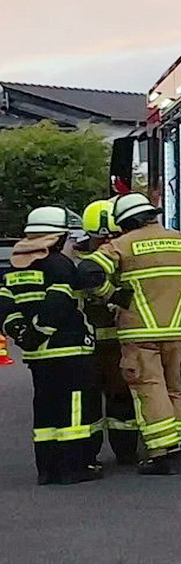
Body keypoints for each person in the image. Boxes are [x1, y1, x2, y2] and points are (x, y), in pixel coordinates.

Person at [84, 193, 181, 474]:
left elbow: (88, 271)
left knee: (150, 389)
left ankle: (160, 454)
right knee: (174, 389)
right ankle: (174, 447)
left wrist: (112, 294)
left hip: (140, 332)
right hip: (178, 331)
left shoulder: (122, 244)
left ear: (125, 222)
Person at [1, 207, 104, 485]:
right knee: (74, 410)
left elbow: (5, 305)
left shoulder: (15, 266)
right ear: (58, 238)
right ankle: (75, 467)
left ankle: (47, 469)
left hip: (37, 355)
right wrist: (39, 331)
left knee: (46, 409)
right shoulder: (59, 264)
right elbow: (59, 302)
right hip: (69, 349)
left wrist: (21, 331)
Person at [75, 198, 138, 465]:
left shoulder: (77, 259)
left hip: (105, 342)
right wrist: (113, 295)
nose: (107, 242)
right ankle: (97, 455)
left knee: (115, 400)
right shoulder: (86, 261)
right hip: (96, 343)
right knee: (96, 402)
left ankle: (120, 453)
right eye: (104, 238)